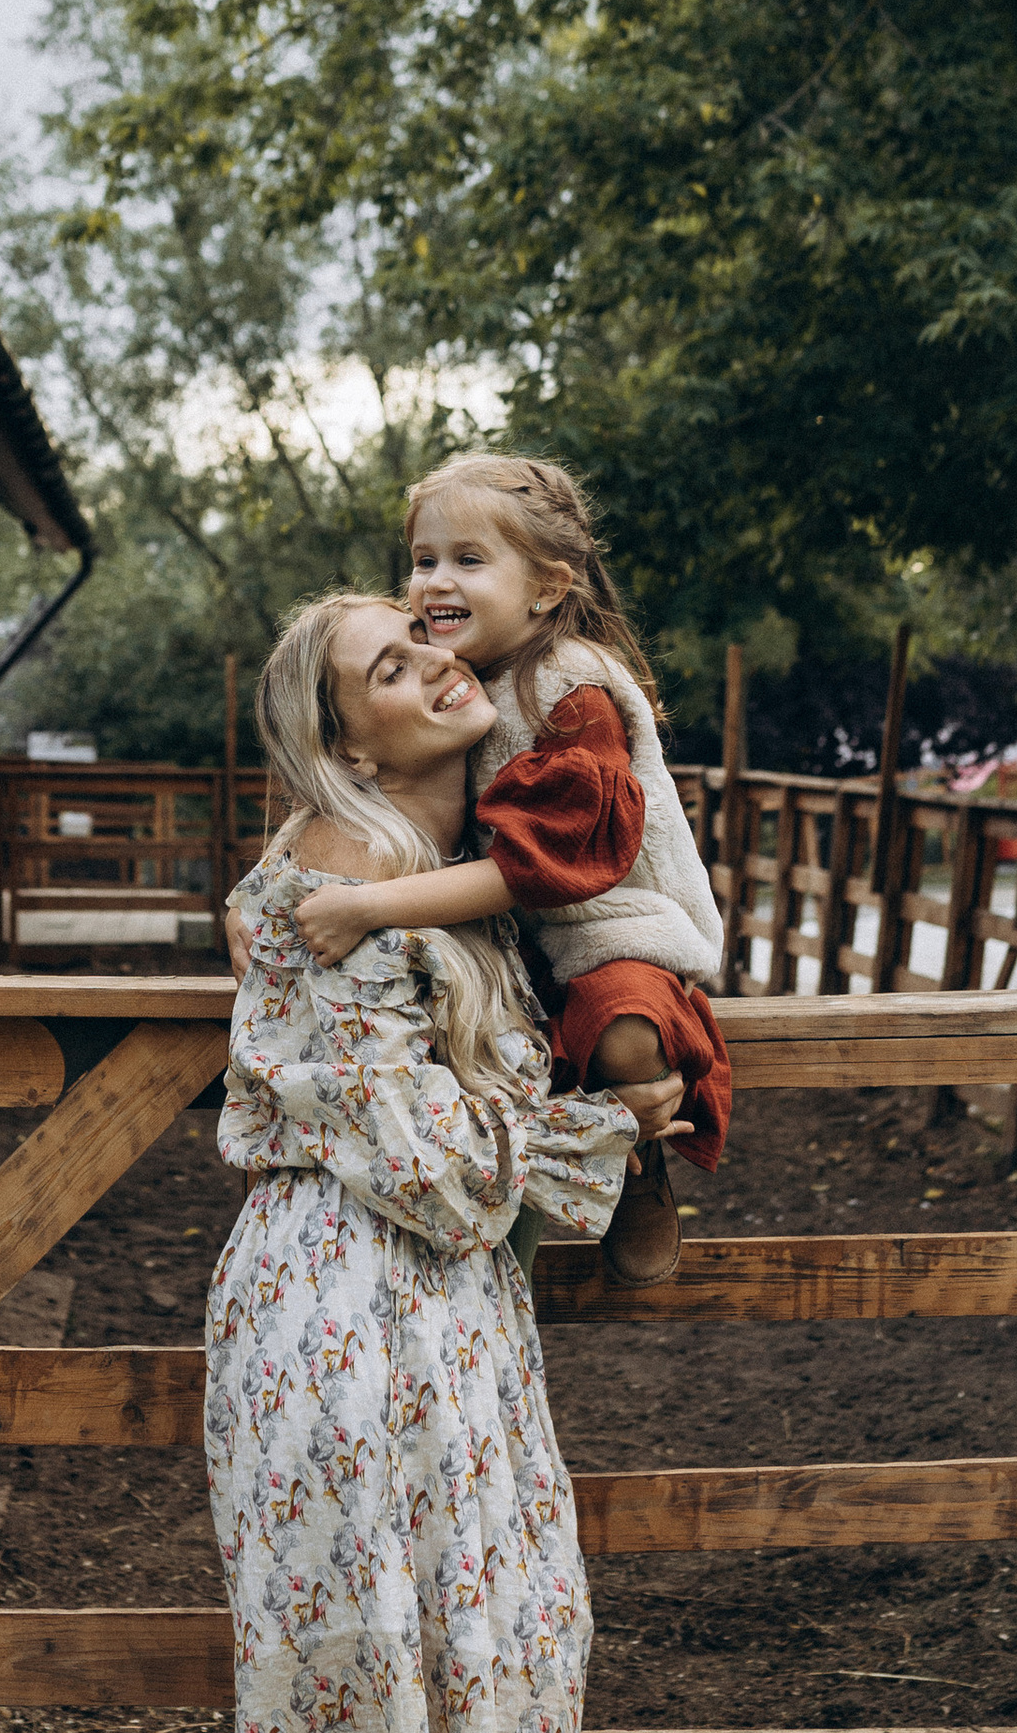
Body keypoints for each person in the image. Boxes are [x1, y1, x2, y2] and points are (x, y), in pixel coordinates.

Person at [209, 590, 687, 1733]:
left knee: (472, 1672)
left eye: (432, 641)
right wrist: (587, 1145)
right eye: (386, 663)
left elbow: (471, 1133)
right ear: (344, 730)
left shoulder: (456, 865)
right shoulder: (314, 885)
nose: (435, 663)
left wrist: (595, 1114)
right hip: (339, 1325)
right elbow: (422, 1152)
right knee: (350, 1704)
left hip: (450, 1324)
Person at [293, 451, 732, 1285]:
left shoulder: (573, 693)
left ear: (547, 589)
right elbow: (346, 783)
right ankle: (493, 1261)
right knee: (481, 1061)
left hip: (611, 928)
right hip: (517, 944)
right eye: (424, 561)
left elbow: (540, 867)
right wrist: (261, 904)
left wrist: (371, 906)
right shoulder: (460, 678)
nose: (431, 583)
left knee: (624, 1024)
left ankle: (642, 1165)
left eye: (467, 560)